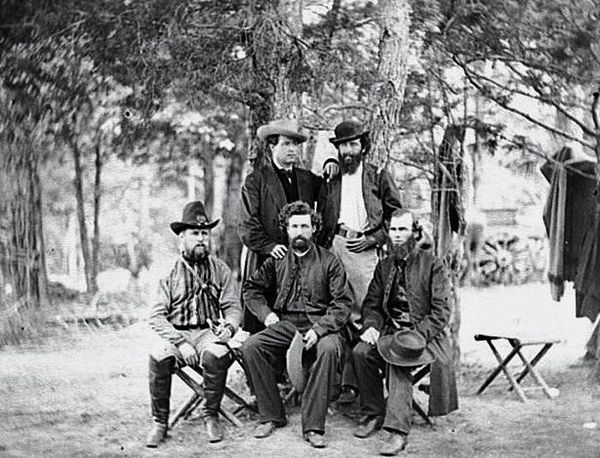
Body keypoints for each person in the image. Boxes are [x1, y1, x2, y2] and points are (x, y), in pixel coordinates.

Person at [241, 201, 352, 448]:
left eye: (305, 226)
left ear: (314, 229)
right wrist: (267, 315)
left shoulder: (329, 260)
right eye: (294, 226)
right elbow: (251, 289)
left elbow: (342, 303)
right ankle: (272, 414)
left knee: (328, 349)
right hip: (286, 325)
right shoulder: (276, 260)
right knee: (251, 346)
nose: (299, 231)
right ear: (286, 229)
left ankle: (313, 426)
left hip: (322, 325)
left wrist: (319, 330)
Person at [351, 209, 458, 456]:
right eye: (394, 230)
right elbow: (372, 305)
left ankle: (398, 432)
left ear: (414, 233)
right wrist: (371, 327)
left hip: (425, 336)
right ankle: (373, 412)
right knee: (360, 352)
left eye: (403, 230)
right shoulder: (384, 266)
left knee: (398, 360)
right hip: (390, 330)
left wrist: (416, 335)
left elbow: (441, 311)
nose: (397, 235)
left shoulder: (433, 264)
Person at [318, 120, 403, 402]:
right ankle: (345, 384)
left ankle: (368, 390)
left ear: (363, 147)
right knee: (336, 309)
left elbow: (396, 214)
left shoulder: (378, 176)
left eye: (353, 144)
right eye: (343, 146)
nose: (348, 150)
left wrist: (376, 238)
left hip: (364, 247)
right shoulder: (332, 177)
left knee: (366, 313)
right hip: (335, 245)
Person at [145, 201, 241, 447]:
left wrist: (229, 328)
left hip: (208, 334)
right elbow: (156, 316)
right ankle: (160, 422)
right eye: (195, 234)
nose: (201, 239)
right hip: (176, 334)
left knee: (217, 354)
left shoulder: (220, 269)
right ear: (181, 237)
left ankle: (210, 415)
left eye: (205, 234)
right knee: (158, 356)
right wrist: (180, 342)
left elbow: (232, 307)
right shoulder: (168, 271)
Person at [239, 119, 328, 332]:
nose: (292, 150)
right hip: (268, 258)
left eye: (295, 145)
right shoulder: (256, 181)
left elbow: (329, 193)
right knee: (264, 322)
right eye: (286, 144)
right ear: (272, 146)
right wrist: (269, 246)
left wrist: (330, 162)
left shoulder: (306, 179)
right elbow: (247, 225)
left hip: (300, 259)